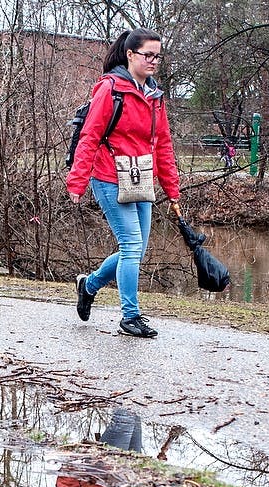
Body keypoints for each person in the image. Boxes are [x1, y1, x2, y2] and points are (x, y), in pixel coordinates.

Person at [66, 28, 181, 338]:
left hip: (140, 177)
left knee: (137, 249)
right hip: (107, 176)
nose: (154, 61)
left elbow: (164, 144)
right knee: (131, 245)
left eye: (158, 55)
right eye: (148, 55)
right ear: (131, 55)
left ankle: (88, 286)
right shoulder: (110, 89)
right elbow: (89, 136)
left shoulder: (155, 95)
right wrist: (77, 182)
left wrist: (172, 190)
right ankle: (130, 316)